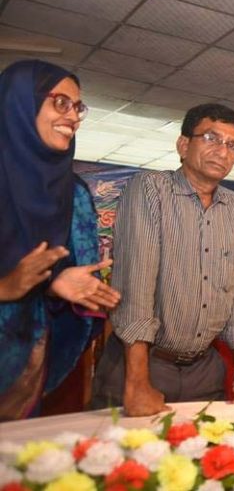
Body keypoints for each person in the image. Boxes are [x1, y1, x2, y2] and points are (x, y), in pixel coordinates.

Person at [92, 104, 234, 416]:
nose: (222, 151)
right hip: (144, 365)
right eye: (211, 138)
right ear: (183, 145)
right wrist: (138, 382)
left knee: (207, 460)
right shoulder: (150, 189)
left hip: (206, 370)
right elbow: (135, 289)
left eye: (232, 145)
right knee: (128, 461)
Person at [0, 60, 120, 419]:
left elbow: (54, 279)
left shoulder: (73, 193)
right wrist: (6, 286)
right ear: (20, 103)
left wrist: (55, 285)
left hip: (25, 369)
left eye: (78, 106)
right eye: (60, 103)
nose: (74, 117)